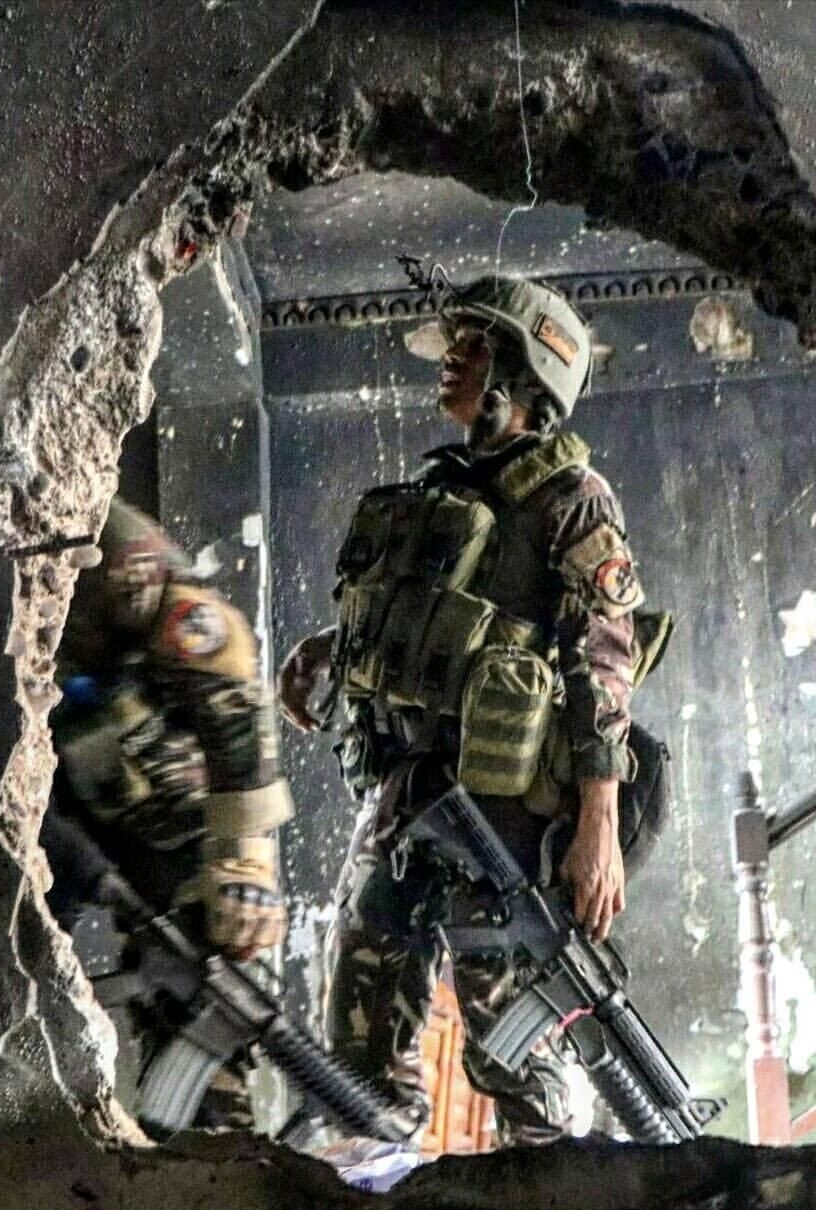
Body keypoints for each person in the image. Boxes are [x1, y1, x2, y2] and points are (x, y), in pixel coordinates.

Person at [279, 276, 667, 1147]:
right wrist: (326, 652)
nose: (450, 356)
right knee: (358, 1038)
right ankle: (380, 1203)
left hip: (504, 821)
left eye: (474, 342)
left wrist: (597, 824)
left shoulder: (571, 497)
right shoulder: (444, 489)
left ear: (526, 370)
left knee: (510, 1054)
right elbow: (422, 621)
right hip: (410, 796)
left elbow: (605, 662)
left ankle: (560, 1204)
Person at [44, 495, 294, 1124]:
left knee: (205, 1039)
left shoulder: (118, 550)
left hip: (175, 835)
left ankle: (217, 1152)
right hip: (68, 821)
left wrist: (244, 866)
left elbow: (235, 715)